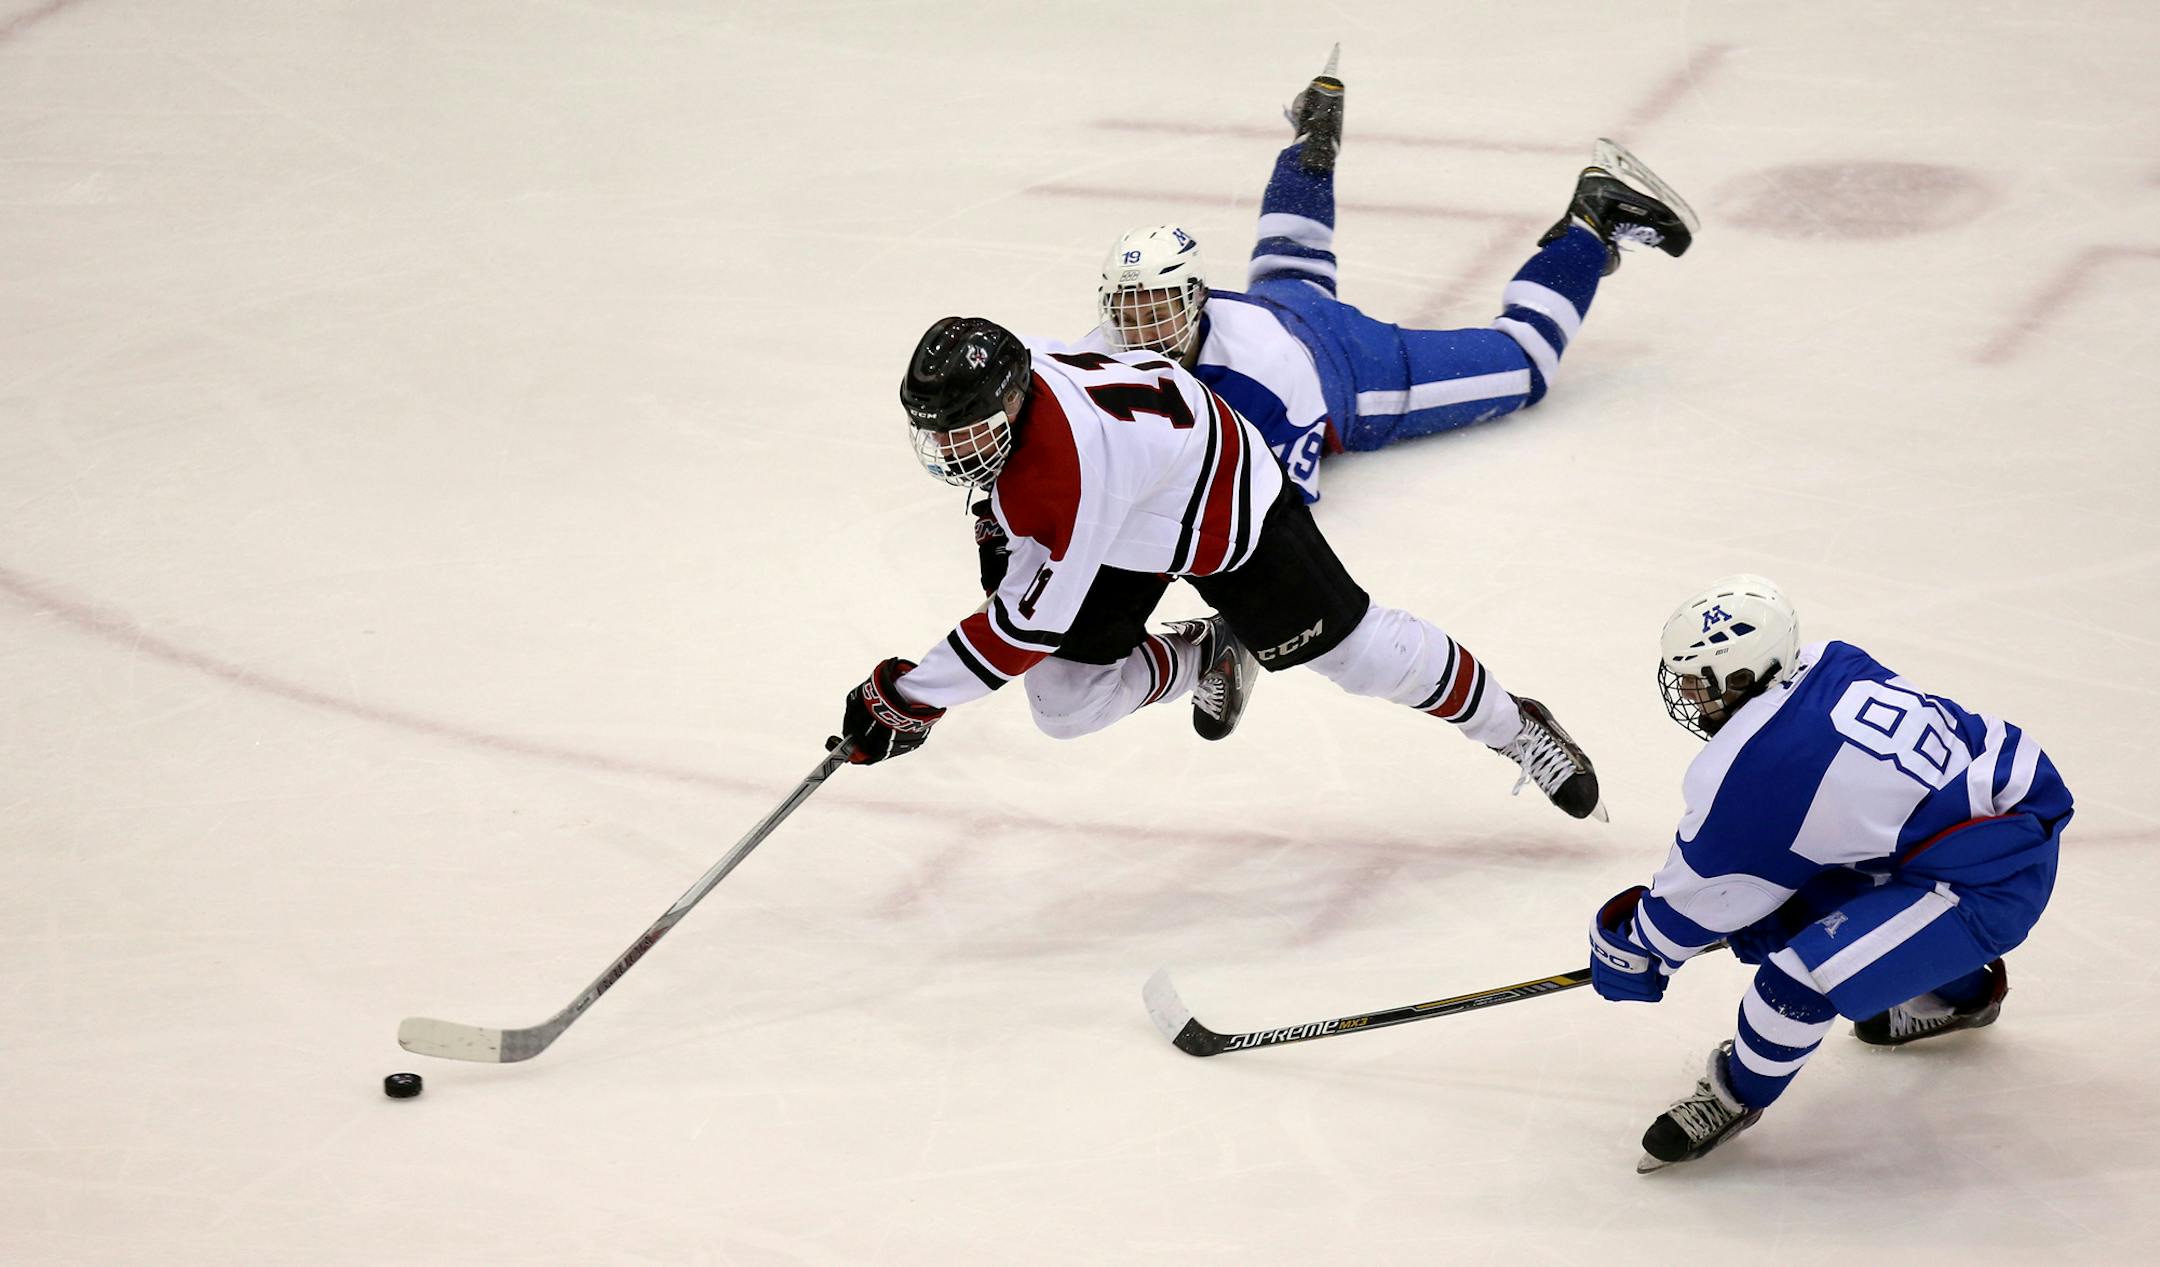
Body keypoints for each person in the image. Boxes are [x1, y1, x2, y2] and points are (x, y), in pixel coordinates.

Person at [830, 315, 1608, 822]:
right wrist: (923, 685)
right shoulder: (1022, 387)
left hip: (1221, 501)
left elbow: (1021, 629)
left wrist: (907, 698)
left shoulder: (1069, 470)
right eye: (939, 431)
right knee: (1065, 704)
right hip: (1133, 499)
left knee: (1359, 653)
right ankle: (1208, 650)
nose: (949, 449)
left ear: (1009, 401)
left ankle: (1513, 725)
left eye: (964, 429)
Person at [1585, 575, 2073, 1172]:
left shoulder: (1759, 768)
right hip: (1990, 819)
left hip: (1988, 880)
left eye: (1698, 682)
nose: (1687, 695)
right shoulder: (1828, 661)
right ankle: (1966, 997)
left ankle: (1735, 1096)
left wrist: (1634, 950)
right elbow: (1825, 822)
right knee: (1793, 912)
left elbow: (1696, 900)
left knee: (1795, 982)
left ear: (1743, 677)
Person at [1079, 47, 1697, 503]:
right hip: (1274, 306)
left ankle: (1593, 222)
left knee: (1526, 364)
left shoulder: (1263, 379)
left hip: (1351, 365)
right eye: (1129, 311)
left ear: (1195, 301)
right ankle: (1309, 146)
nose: (1141, 329)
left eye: (1157, 309)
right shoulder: (1098, 358)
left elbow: (1270, 511)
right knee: (1290, 257)